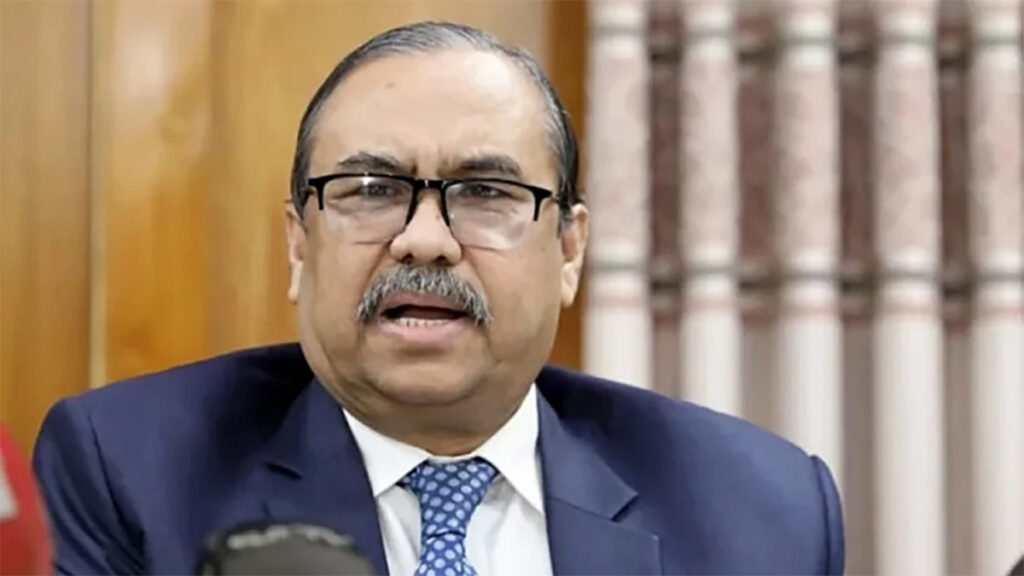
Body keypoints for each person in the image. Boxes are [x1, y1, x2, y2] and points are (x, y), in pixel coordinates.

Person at [32, 21, 844, 576]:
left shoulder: (758, 511)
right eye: (372, 190)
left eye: (485, 192)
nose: (424, 240)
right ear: (299, 244)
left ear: (569, 251)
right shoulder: (130, 474)